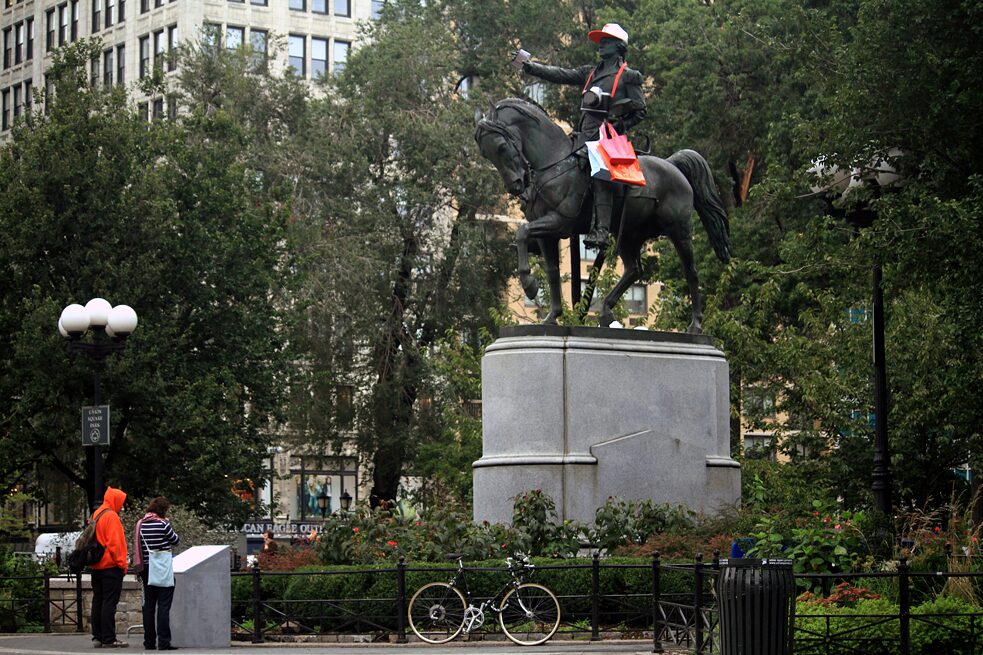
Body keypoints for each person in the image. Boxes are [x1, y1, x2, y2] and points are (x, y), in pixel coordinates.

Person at [517, 23, 647, 249]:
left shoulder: (628, 77)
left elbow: (640, 111)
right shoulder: (590, 73)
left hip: (607, 140)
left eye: (606, 41)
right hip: (582, 137)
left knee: (599, 173)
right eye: (600, 41)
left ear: (619, 46)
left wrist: (619, 124)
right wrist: (531, 67)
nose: (601, 45)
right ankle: (541, 223)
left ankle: (602, 231)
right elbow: (560, 74)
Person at [133, 496, 180, 651]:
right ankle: (164, 642)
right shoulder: (163, 524)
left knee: (149, 606)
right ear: (163, 510)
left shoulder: (140, 524)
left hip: (145, 568)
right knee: (164, 606)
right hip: (161, 569)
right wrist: (167, 523)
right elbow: (175, 540)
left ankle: (149, 642)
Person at [89, 486, 128, 648]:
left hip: (96, 565)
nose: (122, 506)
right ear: (115, 500)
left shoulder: (96, 513)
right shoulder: (111, 516)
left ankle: (97, 636)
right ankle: (109, 638)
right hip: (110, 566)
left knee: (98, 601)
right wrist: (122, 564)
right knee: (109, 602)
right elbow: (115, 544)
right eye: (121, 502)